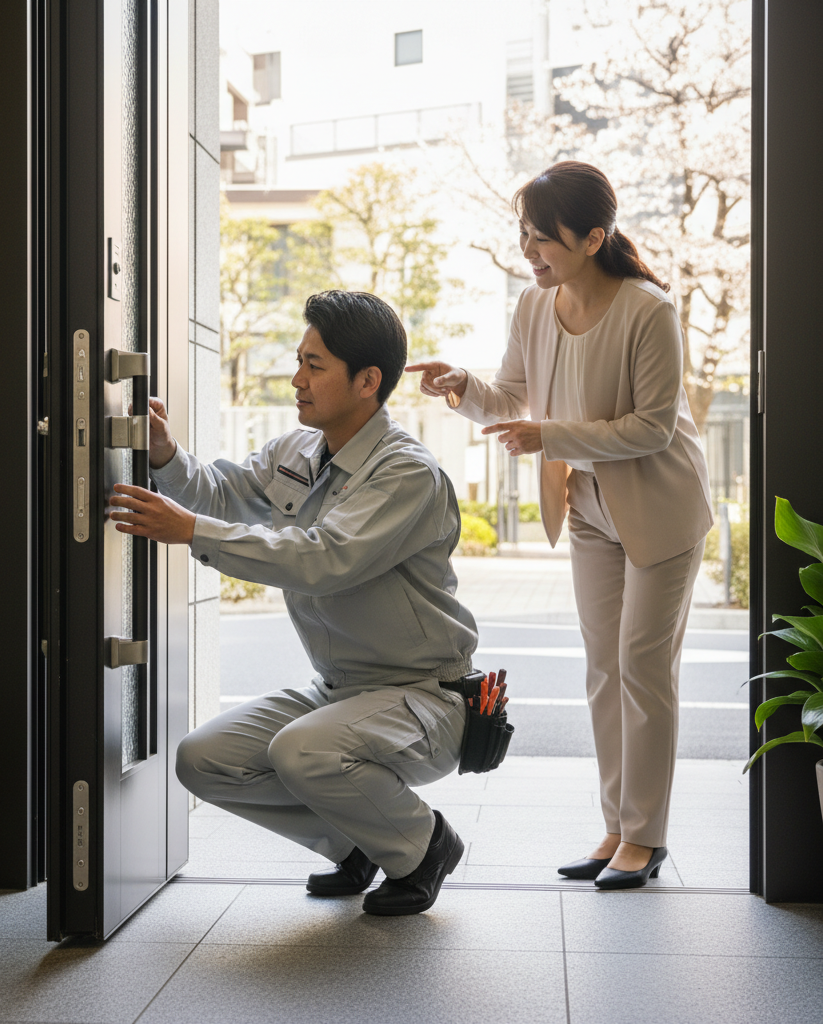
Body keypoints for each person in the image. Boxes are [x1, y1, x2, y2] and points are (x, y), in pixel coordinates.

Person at [109, 289, 479, 915]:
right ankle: (359, 844)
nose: (296, 379)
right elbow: (223, 493)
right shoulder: (298, 451)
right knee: (203, 760)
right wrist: (166, 457)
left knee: (301, 749)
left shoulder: (406, 473)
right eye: (300, 360)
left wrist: (192, 530)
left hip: (423, 697)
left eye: (315, 365)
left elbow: (324, 559)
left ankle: (424, 846)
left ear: (369, 381)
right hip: (340, 691)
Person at [408, 161, 713, 891]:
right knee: (604, 670)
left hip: (660, 507)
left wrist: (552, 436)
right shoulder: (533, 306)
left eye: (543, 239)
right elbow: (511, 397)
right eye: (525, 236)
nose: (529, 251)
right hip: (588, 507)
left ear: (595, 237)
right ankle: (616, 826)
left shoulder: (648, 311)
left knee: (644, 668)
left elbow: (650, 428)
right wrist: (464, 389)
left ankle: (646, 836)